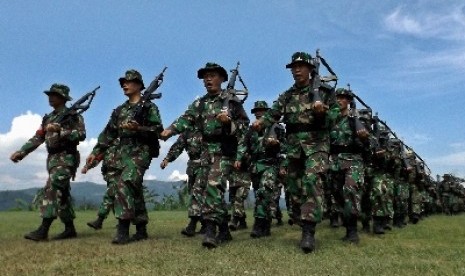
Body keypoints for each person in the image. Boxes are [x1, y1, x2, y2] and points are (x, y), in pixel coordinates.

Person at [252, 52, 336, 253]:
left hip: (316, 145)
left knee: (311, 181)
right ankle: (302, 219)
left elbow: (334, 116)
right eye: (294, 68)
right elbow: (273, 114)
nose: (297, 70)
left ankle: (308, 232)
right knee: (293, 189)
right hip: (294, 148)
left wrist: (322, 112)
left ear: (310, 69)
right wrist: (261, 123)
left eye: (301, 66)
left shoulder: (324, 92)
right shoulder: (287, 95)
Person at [160, 62, 250, 248]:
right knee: (211, 190)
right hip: (205, 152)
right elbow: (186, 118)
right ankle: (224, 230)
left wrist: (228, 123)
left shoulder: (232, 102)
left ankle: (210, 231)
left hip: (224, 151)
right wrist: (170, 130)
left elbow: (243, 127)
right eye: (205, 76)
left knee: (213, 186)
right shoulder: (200, 104)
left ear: (222, 79)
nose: (208, 79)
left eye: (213, 75)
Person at [85, 69, 163, 244]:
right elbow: (108, 134)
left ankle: (123, 229)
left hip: (141, 152)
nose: (124, 85)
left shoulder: (150, 107)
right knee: (132, 189)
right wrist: (95, 153)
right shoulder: (120, 111)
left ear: (139, 85)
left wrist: (138, 128)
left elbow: (157, 130)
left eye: (128, 82)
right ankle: (141, 228)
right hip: (122, 154)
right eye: (122, 83)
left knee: (126, 183)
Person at [10, 83, 86, 241]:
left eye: (54, 95)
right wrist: (22, 152)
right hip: (52, 159)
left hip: (67, 157)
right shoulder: (48, 118)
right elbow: (38, 137)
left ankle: (43, 230)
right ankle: (70, 229)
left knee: (52, 188)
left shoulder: (73, 115)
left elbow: (81, 134)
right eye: (49, 95)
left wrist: (61, 131)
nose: (51, 98)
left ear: (63, 98)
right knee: (62, 194)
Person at [235, 100, 285, 238]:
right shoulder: (251, 130)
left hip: (271, 164)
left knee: (264, 191)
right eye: (257, 111)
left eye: (262, 110)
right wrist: (239, 158)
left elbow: (286, 147)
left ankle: (258, 224)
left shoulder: (277, 128)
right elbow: (243, 144)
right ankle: (266, 224)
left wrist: (277, 144)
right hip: (255, 166)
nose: (259, 113)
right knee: (260, 195)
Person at [327, 88, 369, 243]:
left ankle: (352, 232)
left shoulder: (356, 120)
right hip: (335, 162)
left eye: (343, 98)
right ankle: (352, 221)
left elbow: (369, 143)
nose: (339, 100)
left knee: (350, 190)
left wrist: (364, 138)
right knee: (337, 194)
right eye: (337, 97)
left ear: (349, 101)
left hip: (354, 161)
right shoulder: (330, 121)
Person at [160, 129, 204, 237]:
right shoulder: (187, 132)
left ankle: (192, 225)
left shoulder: (207, 128)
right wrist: (167, 159)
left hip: (207, 166)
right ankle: (205, 224)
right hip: (193, 168)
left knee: (197, 193)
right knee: (196, 194)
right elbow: (178, 146)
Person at [82, 138, 121, 230]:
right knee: (116, 199)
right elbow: (98, 157)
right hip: (109, 175)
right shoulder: (108, 144)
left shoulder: (123, 142)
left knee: (110, 196)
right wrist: (87, 167)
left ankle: (99, 220)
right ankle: (122, 222)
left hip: (119, 174)